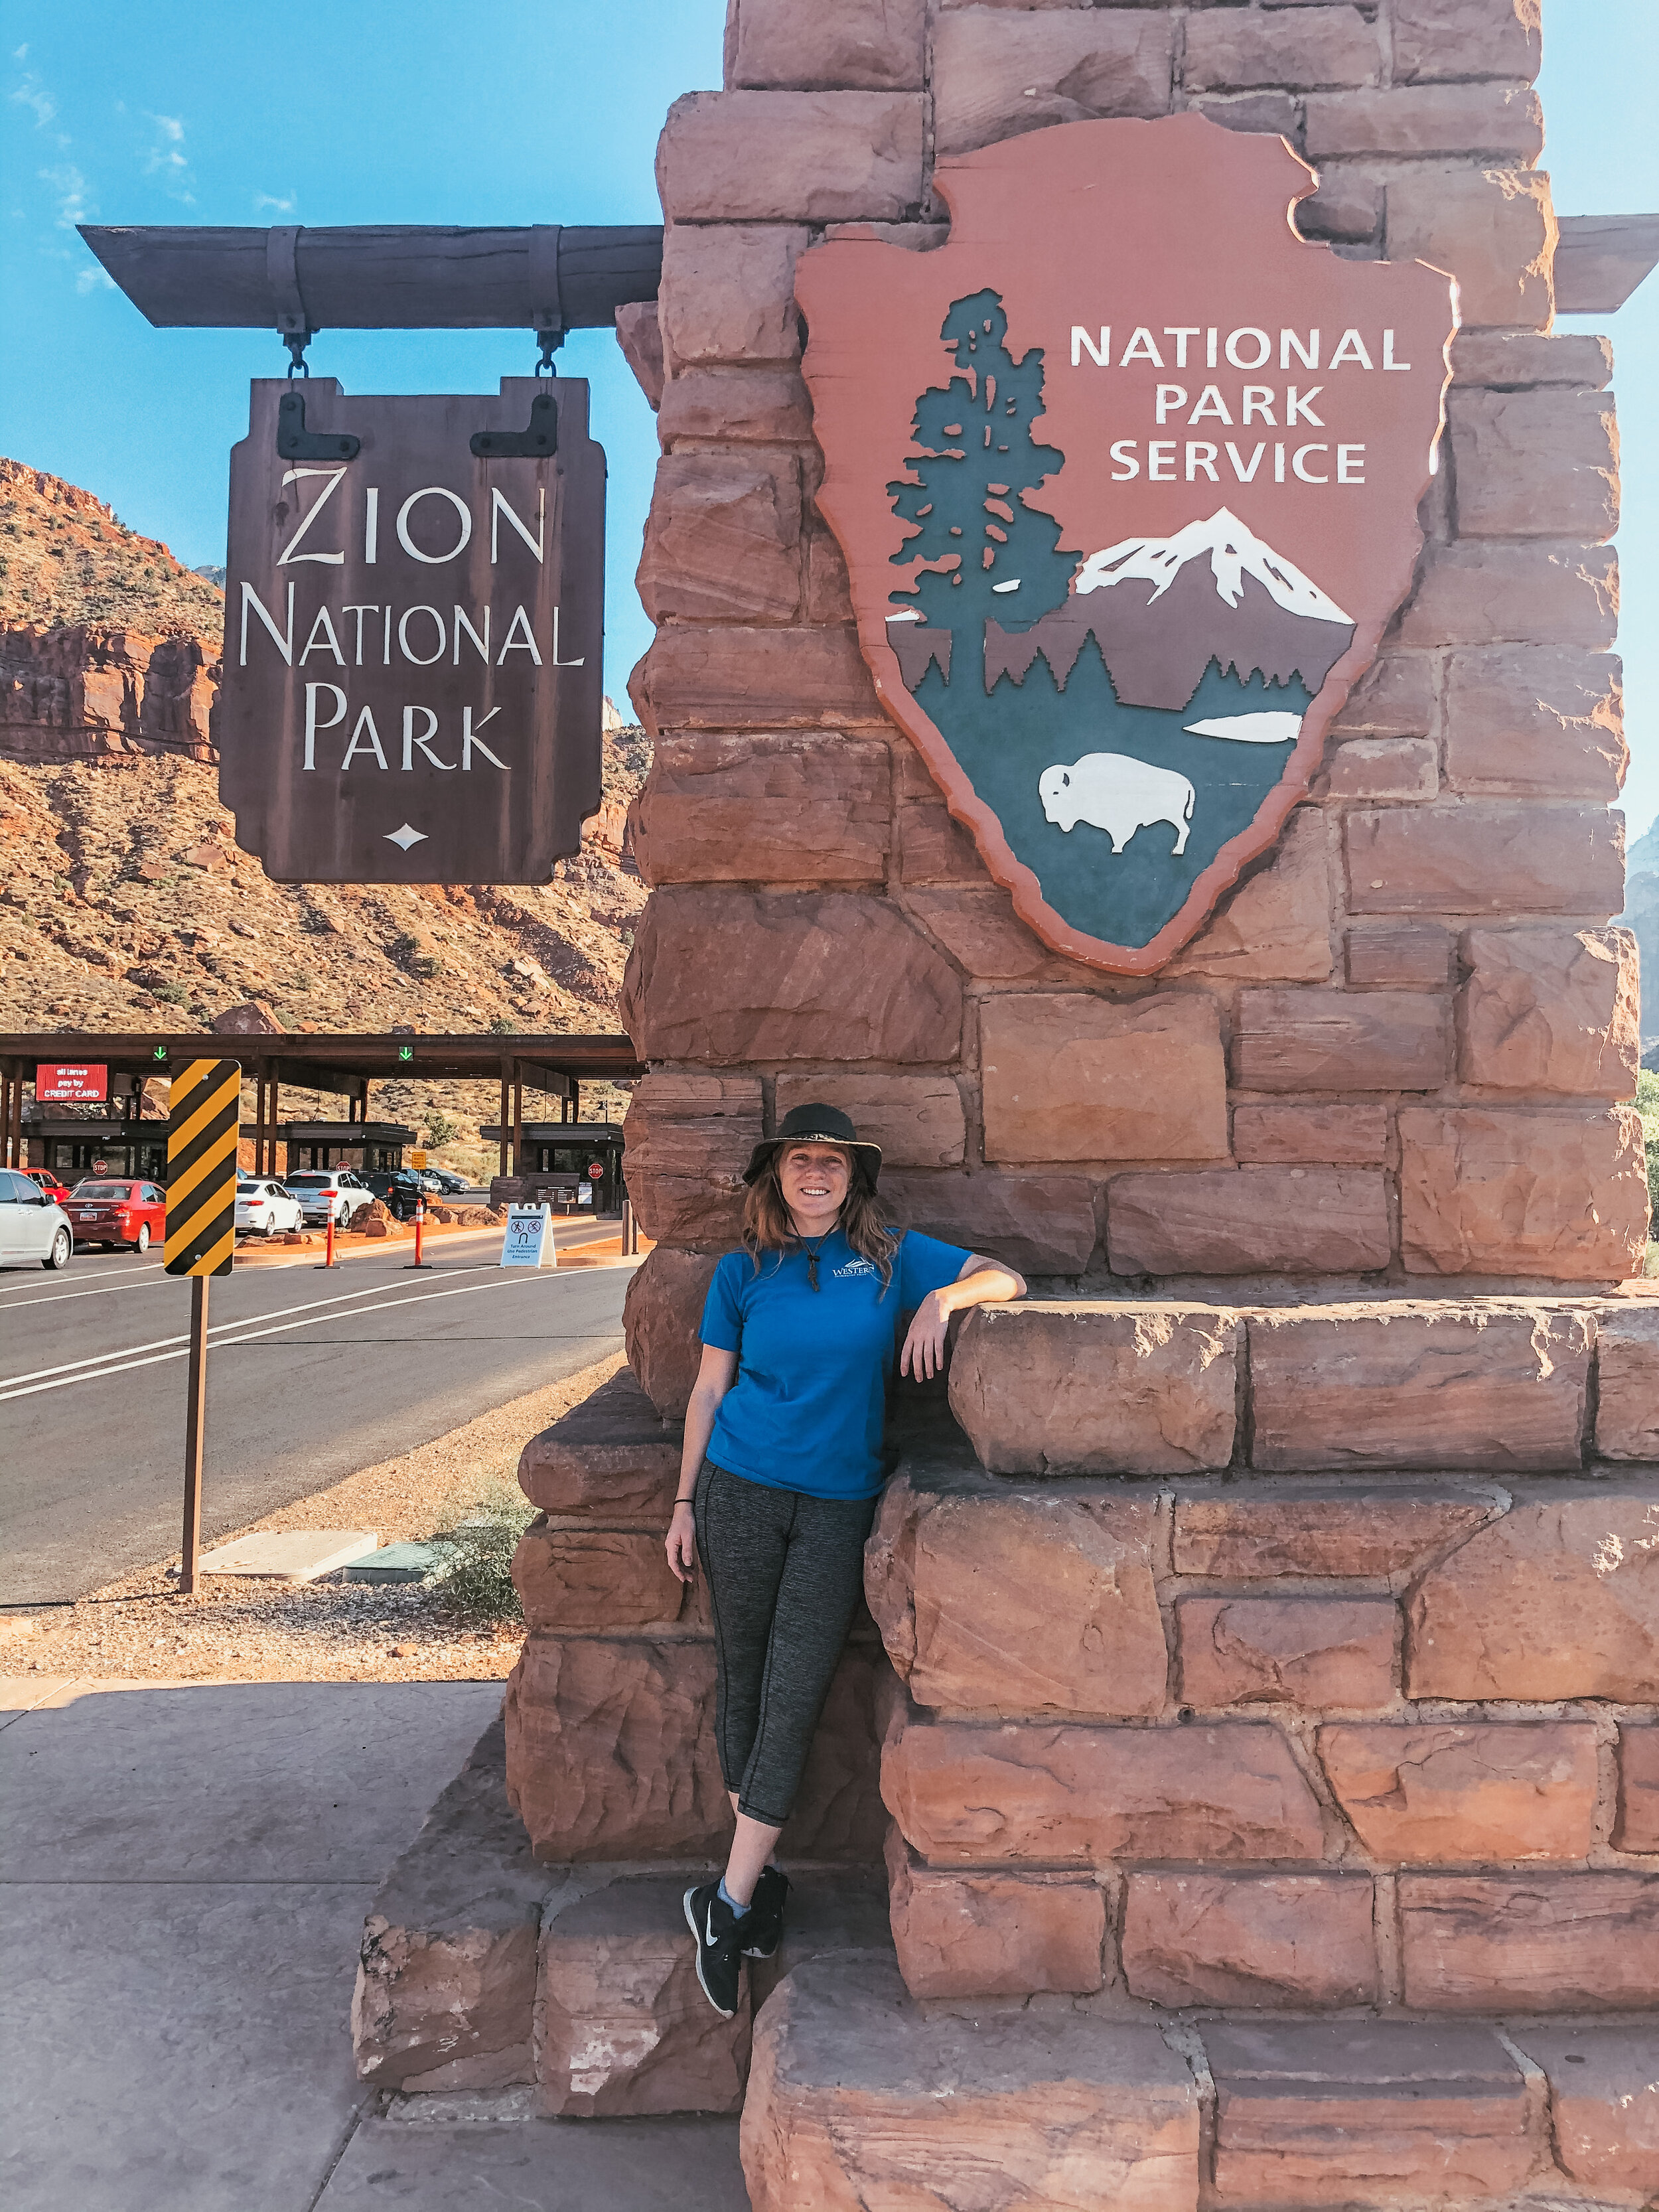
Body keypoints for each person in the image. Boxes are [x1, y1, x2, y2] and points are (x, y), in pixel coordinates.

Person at [665, 1102, 1027, 2018]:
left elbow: (1007, 1277)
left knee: (797, 1689)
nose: (816, 1172)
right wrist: (681, 1502)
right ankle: (758, 1876)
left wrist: (945, 1298)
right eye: (800, 1160)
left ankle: (730, 1903)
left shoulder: (895, 1258)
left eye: (832, 1161)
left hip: (835, 1505)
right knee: (742, 1676)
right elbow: (709, 1388)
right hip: (737, 1491)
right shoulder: (742, 1270)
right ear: (777, 1173)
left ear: (852, 1175)